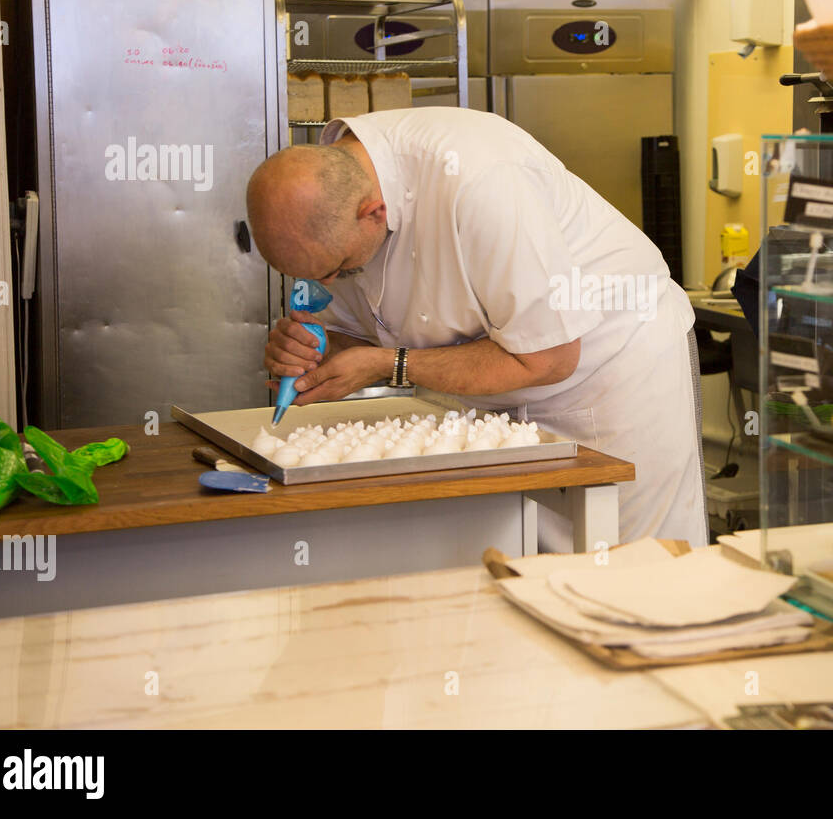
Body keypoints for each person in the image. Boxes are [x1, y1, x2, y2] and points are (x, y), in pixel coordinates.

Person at [246, 107, 707, 551]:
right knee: (514, 568)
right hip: (489, 388)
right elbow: (360, 332)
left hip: (610, 373)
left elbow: (548, 357)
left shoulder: (480, 179)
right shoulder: (337, 197)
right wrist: (318, 348)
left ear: (374, 212)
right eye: (312, 274)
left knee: (631, 567)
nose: (326, 284)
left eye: (340, 269)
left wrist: (390, 366)